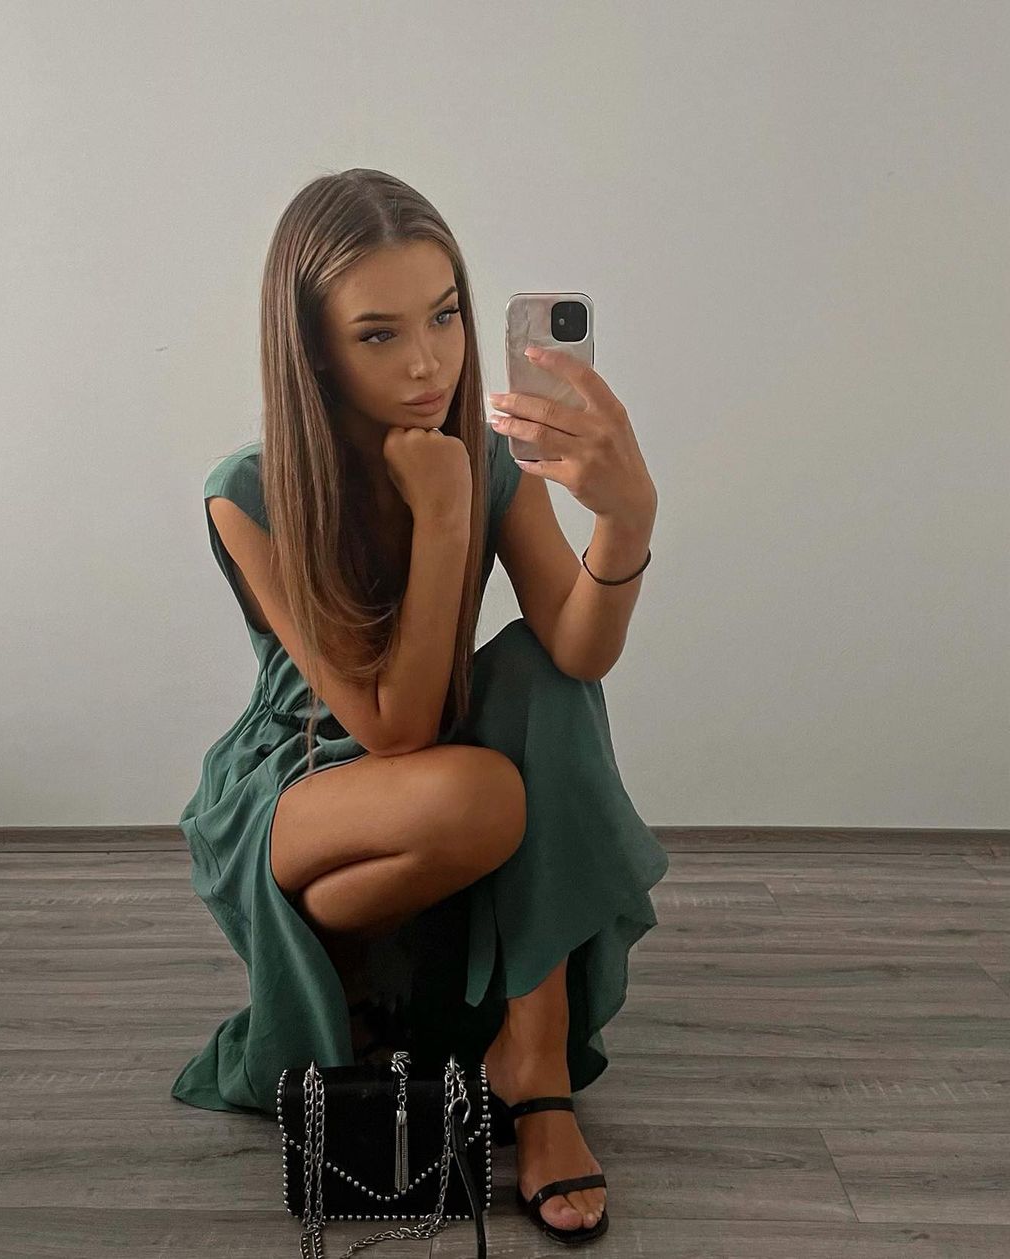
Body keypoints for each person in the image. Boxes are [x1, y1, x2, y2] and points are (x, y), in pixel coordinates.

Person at [172, 167, 668, 1243]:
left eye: (444, 316)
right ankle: (377, 987)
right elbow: (389, 727)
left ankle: (532, 1061)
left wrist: (625, 520)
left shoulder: (488, 460)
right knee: (480, 795)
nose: (428, 362)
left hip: (432, 774)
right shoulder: (248, 492)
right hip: (300, 780)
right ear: (315, 350)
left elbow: (581, 647)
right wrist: (443, 515)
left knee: (540, 672)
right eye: (379, 334)